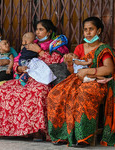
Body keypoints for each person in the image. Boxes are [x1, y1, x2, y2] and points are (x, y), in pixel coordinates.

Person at [0, 19, 69, 141]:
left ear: (49, 31)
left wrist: (40, 52)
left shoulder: (56, 45)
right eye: (37, 29)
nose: (38, 32)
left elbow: (55, 62)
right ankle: (4, 130)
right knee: (2, 90)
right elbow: (17, 60)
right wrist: (19, 68)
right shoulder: (30, 43)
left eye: (41, 29)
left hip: (44, 80)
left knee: (36, 93)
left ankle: (36, 131)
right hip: (25, 78)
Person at [46, 17, 115, 147]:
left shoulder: (103, 49)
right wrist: (69, 64)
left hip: (98, 82)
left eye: (91, 29)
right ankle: (62, 135)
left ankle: (83, 137)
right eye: (85, 30)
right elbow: (75, 72)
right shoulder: (79, 48)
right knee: (55, 94)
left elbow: (109, 69)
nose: (88, 33)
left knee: (83, 93)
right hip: (78, 80)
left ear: (99, 31)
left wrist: (89, 72)